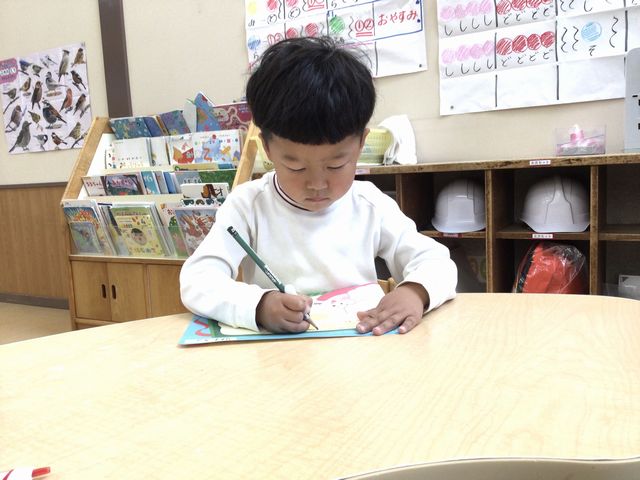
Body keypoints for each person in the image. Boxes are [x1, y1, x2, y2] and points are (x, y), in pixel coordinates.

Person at [180, 37, 457, 335]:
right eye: (296, 167)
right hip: (277, 357)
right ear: (267, 149)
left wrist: (415, 291)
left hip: (359, 351)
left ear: (361, 144)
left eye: (336, 165)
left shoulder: (369, 204)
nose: (316, 184)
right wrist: (258, 305)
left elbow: (435, 261)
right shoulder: (248, 205)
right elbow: (198, 280)